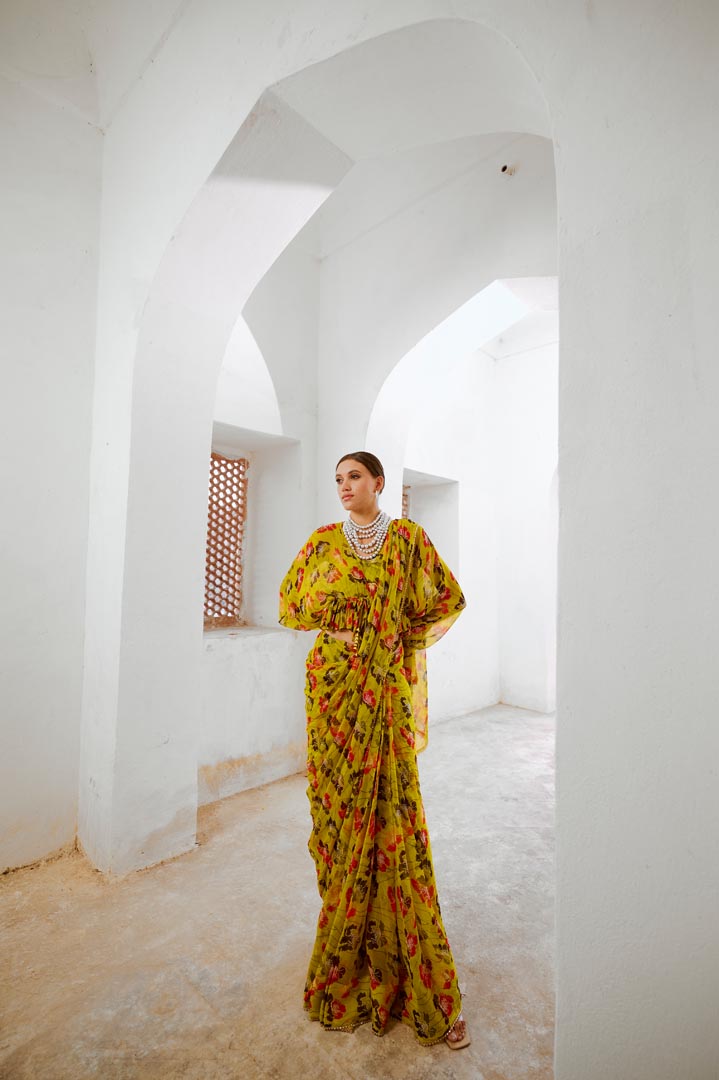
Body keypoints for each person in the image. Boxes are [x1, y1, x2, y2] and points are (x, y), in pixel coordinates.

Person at [278, 451, 470, 1050]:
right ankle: (349, 968)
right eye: (337, 480)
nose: (343, 487)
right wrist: (337, 623)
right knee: (340, 827)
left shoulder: (409, 540)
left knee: (395, 827)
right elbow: (289, 604)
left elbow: (447, 599)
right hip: (332, 699)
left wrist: (393, 639)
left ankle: (422, 986)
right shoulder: (321, 543)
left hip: (383, 699)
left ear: (378, 483)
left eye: (353, 477)